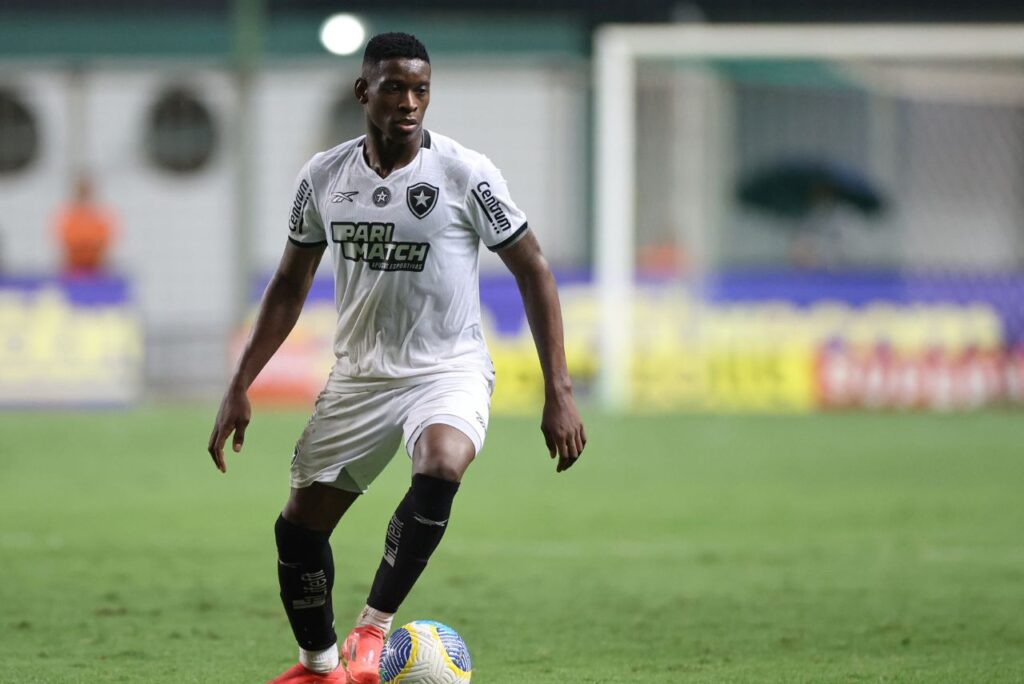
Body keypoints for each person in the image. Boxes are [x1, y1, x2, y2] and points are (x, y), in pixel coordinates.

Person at [207, 33, 586, 684]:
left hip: (447, 368)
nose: (409, 102)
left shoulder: (466, 174)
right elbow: (289, 288)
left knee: (441, 462)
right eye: (394, 87)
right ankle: (320, 667)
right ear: (364, 92)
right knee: (297, 534)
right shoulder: (324, 177)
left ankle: (373, 628)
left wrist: (560, 389)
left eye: (421, 90)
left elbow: (535, 270)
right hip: (360, 376)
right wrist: (240, 383)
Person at [53, 172, 117, 276]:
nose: (83, 194)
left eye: (85, 190)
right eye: (81, 190)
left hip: (97, 266)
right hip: (73, 266)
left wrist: (94, 247)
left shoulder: (99, 214)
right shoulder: (68, 215)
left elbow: (105, 238)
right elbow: (66, 238)